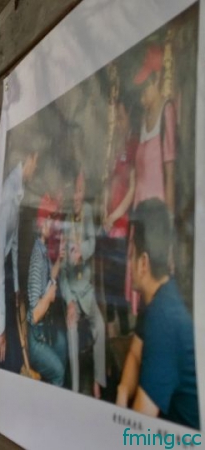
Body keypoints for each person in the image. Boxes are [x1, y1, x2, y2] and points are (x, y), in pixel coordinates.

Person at [115, 199, 198, 429]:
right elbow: (135, 353)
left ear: (143, 263)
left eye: (131, 253)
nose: (128, 261)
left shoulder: (164, 318)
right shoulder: (159, 293)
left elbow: (138, 431)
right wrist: (122, 392)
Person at [126, 45, 178, 315]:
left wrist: (169, 224)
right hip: (140, 213)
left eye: (145, 88)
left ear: (157, 79)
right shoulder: (143, 119)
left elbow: (169, 174)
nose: (142, 96)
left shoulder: (167, 111)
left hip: (156, 217)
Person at [60, 170, 106, 397]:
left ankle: (98, 381)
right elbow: (62, 272)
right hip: (72, 293)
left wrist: (82, 251)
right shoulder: (65, 221)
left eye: (80, 191)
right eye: (74, 192)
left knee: (101, 328)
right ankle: (76, 389)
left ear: (84, 192)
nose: (77, 197)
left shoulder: (87, 211)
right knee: (72, 331)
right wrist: (69, 301)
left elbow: (93, 242)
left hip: (87, 291)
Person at [0, 149, 40, 373]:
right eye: (36, 161)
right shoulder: (8, 193)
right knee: (9, 351)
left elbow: (13, 244)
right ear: (28, 159)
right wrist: (0, 329)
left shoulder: (18, 189)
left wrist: (15, 287)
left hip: (6, 275)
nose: (36, 167)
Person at [100, 101, 137, 336]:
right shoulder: (115, 146)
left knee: (119, 283)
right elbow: (108, 183)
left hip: (121, 226)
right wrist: (105, 213)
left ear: (129, 116)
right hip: (109, 225)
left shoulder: (133, 145)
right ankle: (113, 334)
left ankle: (123, 333)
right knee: (109, 284)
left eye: (121, 118)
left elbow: (132, 189)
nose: (118, 124)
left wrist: (113, 216)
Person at [26, 194, 67, 386]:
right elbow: (34, 315)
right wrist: (50, 296)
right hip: (36, 338)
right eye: (48, 218)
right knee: (58, 372)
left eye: (52, 219)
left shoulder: (43, 249)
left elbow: (50, 278)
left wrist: (60, 258)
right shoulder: (37, 258)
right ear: (41, 222)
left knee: (63, 343)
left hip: (45, 330)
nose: (50, 224)